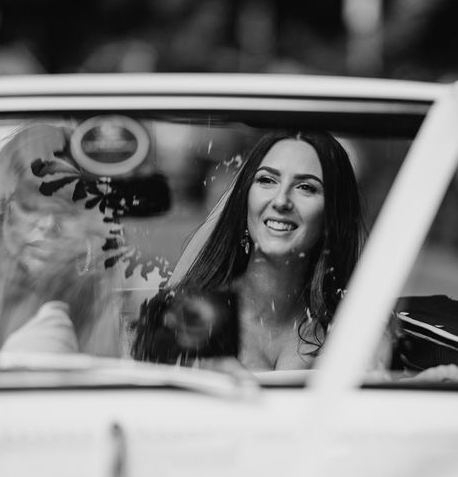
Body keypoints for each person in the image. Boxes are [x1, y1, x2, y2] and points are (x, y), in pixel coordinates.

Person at [132, 130, 365, 370]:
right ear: (245, 199)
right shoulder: (189, 314)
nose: (281, 200)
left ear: (332, 214)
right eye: (267, 180)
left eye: (305, 187)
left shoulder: (353, 326)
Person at [0, 123, 124, 357]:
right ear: (4, 207)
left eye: (67, 204)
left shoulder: (95, 293)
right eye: (32, 203)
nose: (49, 223)